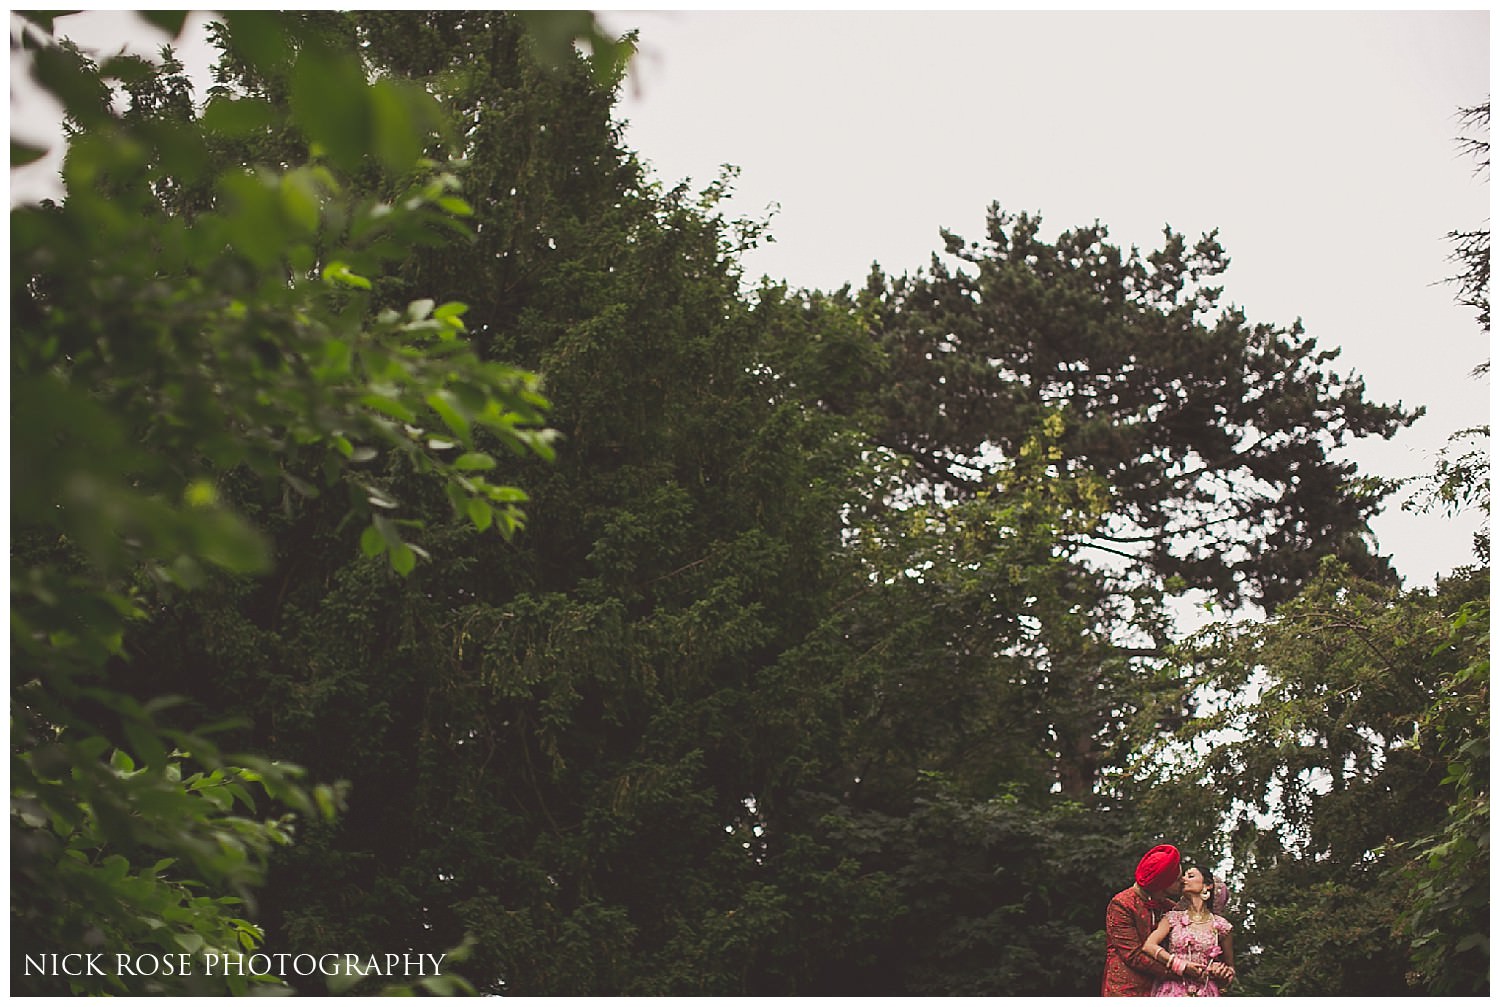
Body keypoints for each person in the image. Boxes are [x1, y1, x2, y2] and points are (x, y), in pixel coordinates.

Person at [1102, 845, 1211, 996]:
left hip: (1165, 991)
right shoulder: (1121, 905)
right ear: (1163, 885)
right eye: (1178, 879)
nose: (1183, 881)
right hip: (1126, 991)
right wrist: (1181, 970)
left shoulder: (1170, 908)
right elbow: (1133, 956)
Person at [1142, 864, 1236, 996]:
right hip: (1173, 991)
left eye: (1190, 876)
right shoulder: (1172, 918)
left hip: (1206, 992)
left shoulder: (1222, 926)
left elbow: (1230, 968)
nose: (1183, 880)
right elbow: (1148, 946)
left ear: (1208, 885)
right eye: (1183, 877)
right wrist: (1180, 965)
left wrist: (1223, 972)